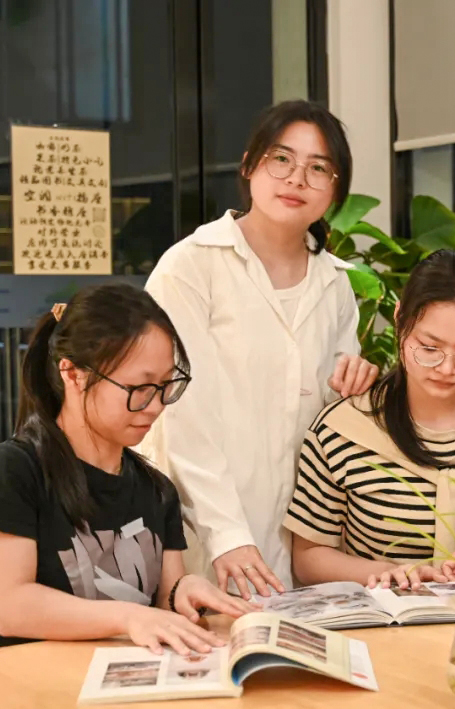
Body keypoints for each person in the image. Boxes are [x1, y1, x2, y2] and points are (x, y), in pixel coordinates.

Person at [139, 101, 379, 599]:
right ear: (249, 165)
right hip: (202, 531)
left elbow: (330, 419)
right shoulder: (191, 266)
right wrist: (226, 534)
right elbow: (179, 412)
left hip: (303, 538)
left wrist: (355, 383)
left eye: (318, 168)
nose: (296, 179)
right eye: (281, 159)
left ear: (335, 190)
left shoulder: (335, 283)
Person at [0, 284, 253, 654]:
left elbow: (162, 602)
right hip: (3, 678)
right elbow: (12, 608)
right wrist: (127, 617)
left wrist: (182, 590)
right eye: (139, 387)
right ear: (73, 374)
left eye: (166, 385)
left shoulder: (156, 489)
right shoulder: (8, 473)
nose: (156, 405)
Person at [283, 250, 455, 590]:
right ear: (399, 320)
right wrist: (385, 573)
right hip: (383, 616)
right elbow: (309, 556)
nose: (447, 368)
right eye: (429, 348)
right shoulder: (342, 430)